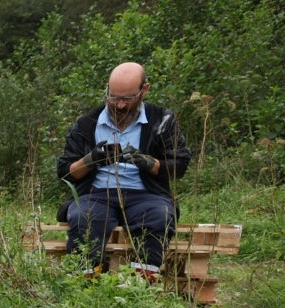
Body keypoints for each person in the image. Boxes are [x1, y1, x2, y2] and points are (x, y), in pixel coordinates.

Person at [56, 62, 191, 280]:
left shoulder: (162, 121)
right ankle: (85, 285)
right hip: (97, 194)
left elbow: (180, 166)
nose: (119, 105)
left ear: (144, 90)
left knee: (159, 217)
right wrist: (91, 160)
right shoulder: (86, 124)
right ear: (107, 90)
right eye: (113, 97)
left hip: (147, 194)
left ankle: (139, 287)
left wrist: (148, 162)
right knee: (84, 218)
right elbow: (65, 172)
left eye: (127, 99)